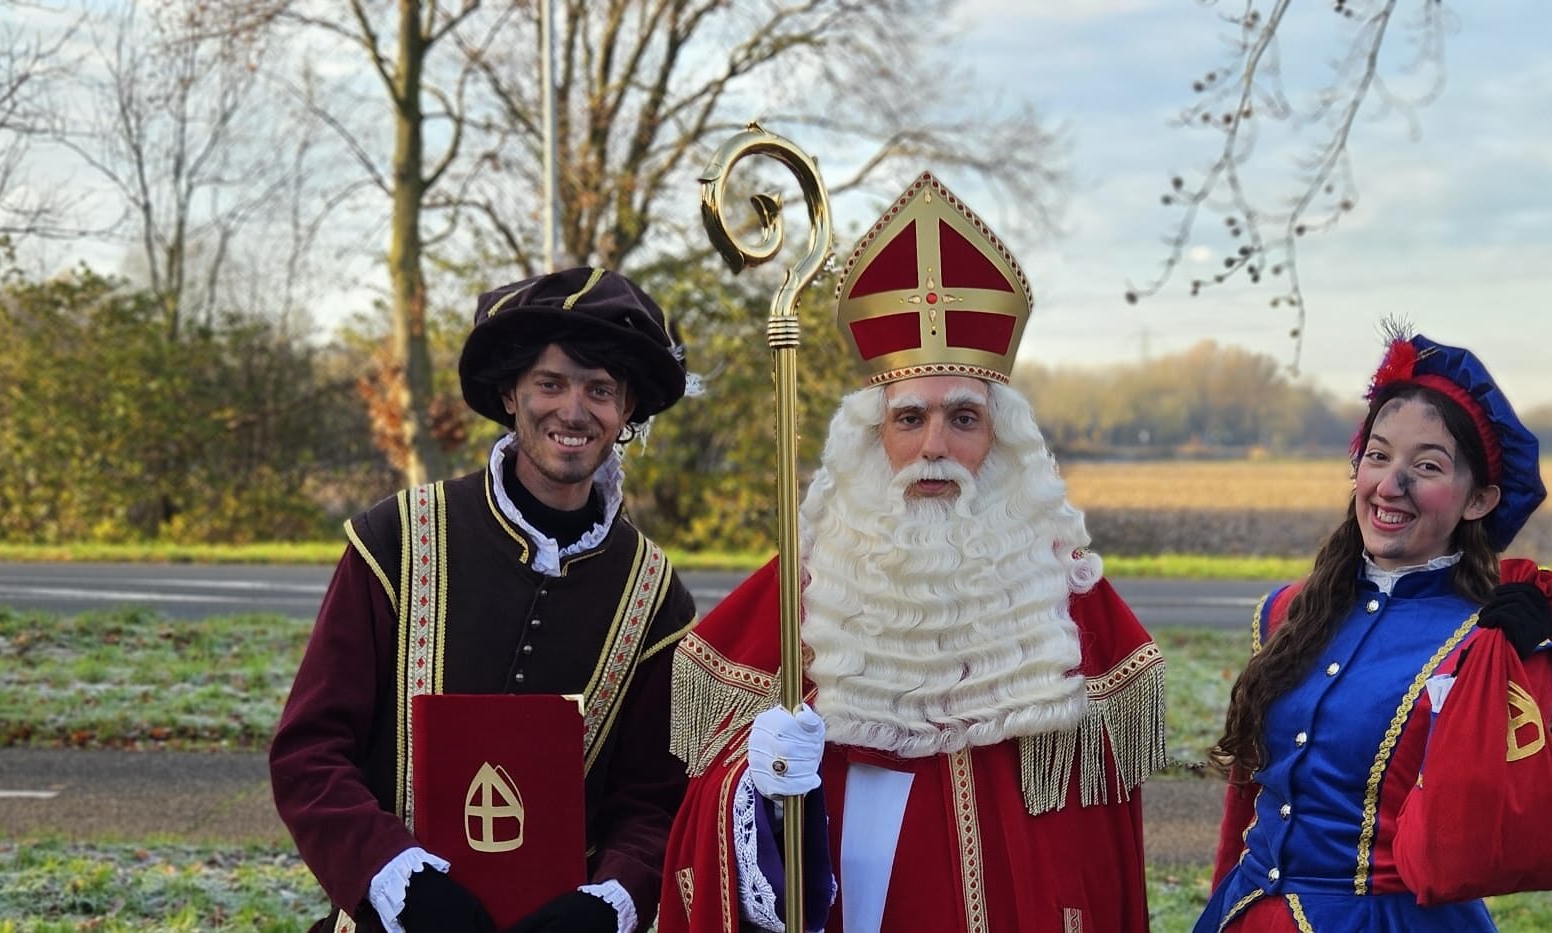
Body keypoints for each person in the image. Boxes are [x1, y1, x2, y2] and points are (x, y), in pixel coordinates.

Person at [657, 172, 1167, 932]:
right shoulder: (810, 578)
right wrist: (753, 776)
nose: (936, 446)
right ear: (874, 434)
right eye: (910, 418)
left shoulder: (1061, 585)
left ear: (1001, 438)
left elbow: (1101, 841)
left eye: (964, 417)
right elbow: (710, 787)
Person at [270, 267, 700, 933]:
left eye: (600, 390)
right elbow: (310, 750)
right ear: (510, 393)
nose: (574, 410)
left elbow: (653, 799)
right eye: (550, 384)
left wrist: (608, 902)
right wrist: (394, 877)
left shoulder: (653, 591)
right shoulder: (397, 538)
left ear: (626, 412)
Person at [1194, 328, 1552, 931]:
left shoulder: (1490, 640)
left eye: (1426, 466)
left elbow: (1491, 814)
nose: (1389, 485)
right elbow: (1246, 807)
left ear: (1479, 499)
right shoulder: (1285, 613)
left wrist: (1511, 662)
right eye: (1378, 456)